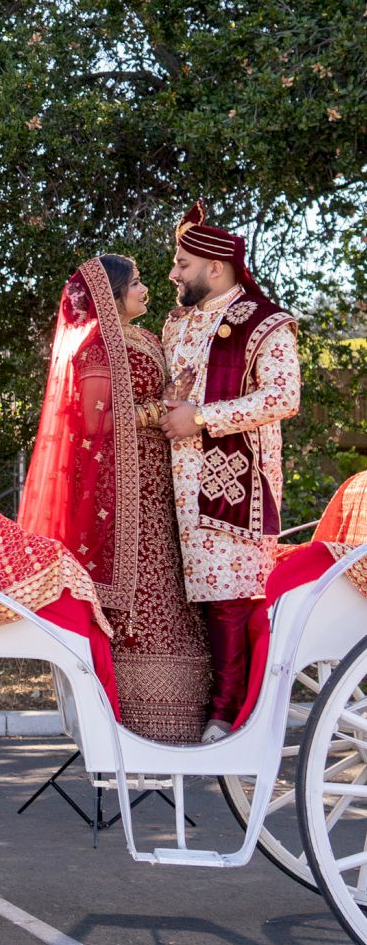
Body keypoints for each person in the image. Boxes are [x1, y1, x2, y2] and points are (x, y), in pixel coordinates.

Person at [19, 256, 211, 743]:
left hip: (163, 482)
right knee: (142, 588)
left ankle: (181, 718)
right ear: (113, 292)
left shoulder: (146, 339)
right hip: (125, 495)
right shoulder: (96, 349)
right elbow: (94, 424)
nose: (146, 289)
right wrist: (155, 415)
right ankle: (137, 723)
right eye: (138, 282)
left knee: (173, 584)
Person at [160, 202, 300, 743]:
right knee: (200, 600)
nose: (173, 273)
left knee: (231, 599)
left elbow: (284, 397)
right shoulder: (178, 324)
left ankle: (229, 716)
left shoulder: (266, 324)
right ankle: (210, 708)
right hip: (177, 484)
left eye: (182, 263)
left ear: (215, 267)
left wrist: (202, 417)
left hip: (237, 484)